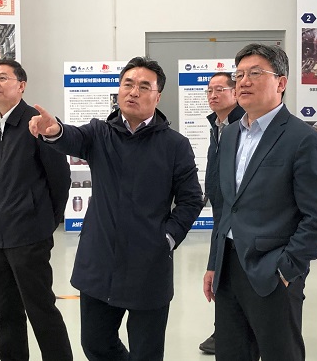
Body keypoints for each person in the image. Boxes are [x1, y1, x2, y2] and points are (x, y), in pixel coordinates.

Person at [29, 56, 204, 361]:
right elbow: (71, 137)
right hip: (100, 260)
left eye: (144, 86)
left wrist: (167, 238)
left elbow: (191, 199)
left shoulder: (175, 145)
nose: (133, 92)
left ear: (157, 97)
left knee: (146, 353)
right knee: (96, 343)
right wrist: (54, 130)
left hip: (148, 265)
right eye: (128, 84)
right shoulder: (99, 133)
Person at [203, 43, 317, 361]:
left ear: (281, 82)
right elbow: (226, 207)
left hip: (273, 271)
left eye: (255, 73)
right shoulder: (230, 135)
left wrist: (287, 268)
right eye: (239, 75)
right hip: (228, 268)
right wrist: (213, 263)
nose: (244, 81)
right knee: (231, 353)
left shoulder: (303, 138)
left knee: (281, 353)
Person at [0, 60, 73, 361]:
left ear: (21, 86)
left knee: (40, 309)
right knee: (4, 311)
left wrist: (47, 219)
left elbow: (60, 177)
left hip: (30, 234)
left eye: (3, 78)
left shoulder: (36, 124)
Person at [198, 71, 245, 355]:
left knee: (230, 268)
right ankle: (224, 329)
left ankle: (229, 330)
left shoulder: (242, 124)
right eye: (209, 90)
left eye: (219, 89)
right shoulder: (217, 125)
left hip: (236, 210)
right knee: (219, 267)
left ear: (235, 92)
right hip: (220, 206)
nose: (213, 95)